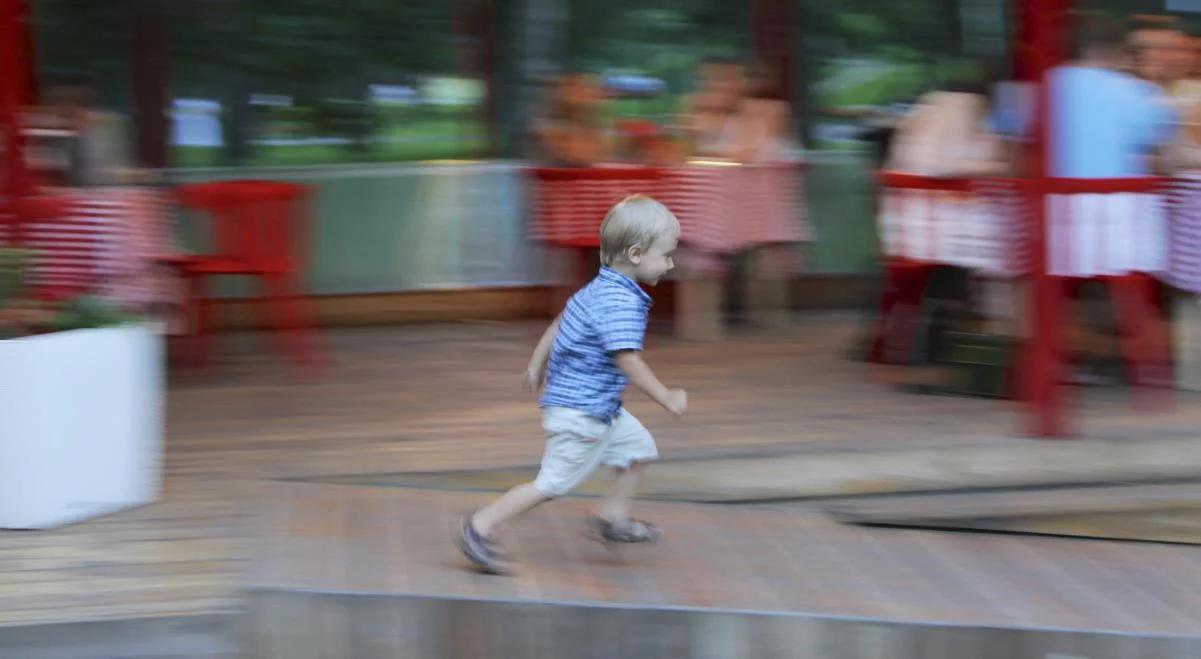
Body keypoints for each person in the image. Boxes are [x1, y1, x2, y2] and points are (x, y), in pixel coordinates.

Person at [456, 195, 688, 575]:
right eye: (665, 255)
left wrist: (537, 361)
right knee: (550, 485)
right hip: (582, 414)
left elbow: (563, 319)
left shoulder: (600, 287)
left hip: (598, 407)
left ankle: (612, 515)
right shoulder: (620, 303)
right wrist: (666, 397)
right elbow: (628, 360)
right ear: (635, 253)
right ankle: (479, 526)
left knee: (639, 450)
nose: (670, 263)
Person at [533, 72, 609, 166]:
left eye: (582, 87)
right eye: (572, 87)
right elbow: (567, 155)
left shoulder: (590, 123)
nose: (580, 92)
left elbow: (594, 155)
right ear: (559, 92)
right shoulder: (548, 125)